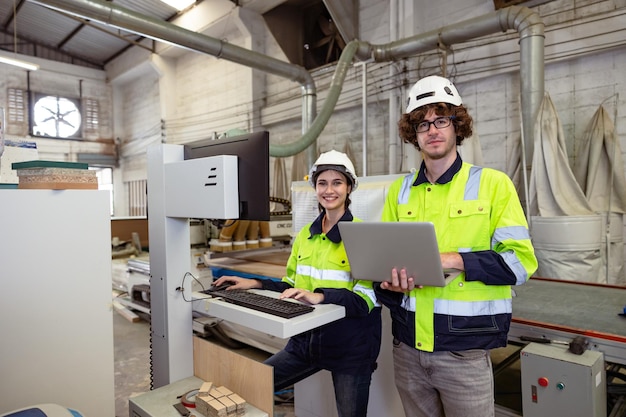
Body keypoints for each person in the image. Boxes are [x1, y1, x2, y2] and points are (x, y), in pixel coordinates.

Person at [374, 75, 538, 417]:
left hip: (464, 351)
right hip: (407, 348)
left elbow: (520, 264)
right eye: (422, 123)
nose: (432, 130)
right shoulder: (399, 192)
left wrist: (453, 259)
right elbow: (385, 266)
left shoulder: (493, 185)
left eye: (441, 119)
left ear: (456, 125)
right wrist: (389, 282)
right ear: (413, 133)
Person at [212, 150, 382, 417]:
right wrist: (254, 283)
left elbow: (367, 301)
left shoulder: (364, 235)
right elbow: (290, 285)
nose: (329, 190)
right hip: (306, 344)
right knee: (252, 385)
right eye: (322, 183)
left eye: (337, 182)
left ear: (349, 187)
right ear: (315, 188)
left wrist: (321, 296)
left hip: (350, 349)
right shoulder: (306, 236)